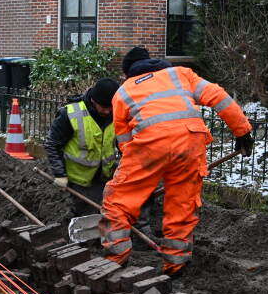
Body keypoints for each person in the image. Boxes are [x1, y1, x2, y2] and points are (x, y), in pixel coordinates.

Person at [100, 47, 254, 277]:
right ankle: (175, 266)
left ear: (127, 73)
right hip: (191, 142)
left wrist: (142, 182)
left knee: (117, 203)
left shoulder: (122, 93)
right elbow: (219, 97)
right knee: (182, 205)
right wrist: (242, 132)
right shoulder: (181, 74)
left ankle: (116, 260)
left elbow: (124, 142)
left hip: (149, 146)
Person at [44, 78, 120, 217]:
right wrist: (60, 174)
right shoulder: (71, 114)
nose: (108, 111)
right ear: (93, 101)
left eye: (111, 107)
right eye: (104, 107)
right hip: (77, 181)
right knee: (86, 215)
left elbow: (122, 144)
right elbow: (52, 144)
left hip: (103, 177)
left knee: (105, 212)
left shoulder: (116, 114)